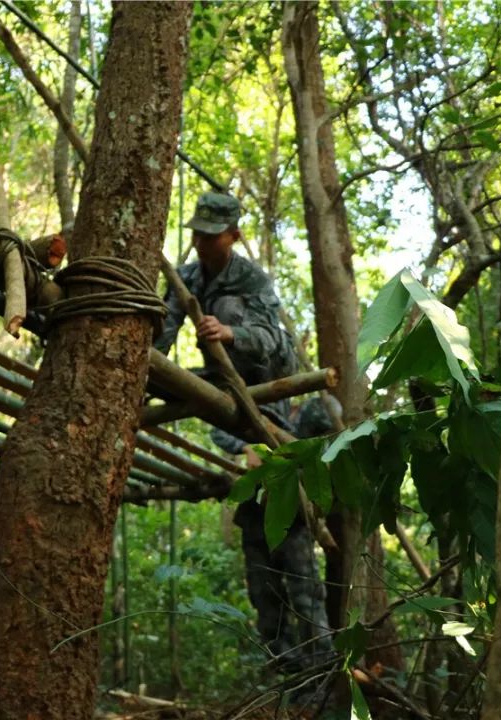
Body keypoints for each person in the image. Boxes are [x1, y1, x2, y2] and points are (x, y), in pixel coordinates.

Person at [154, 192, 332, 670]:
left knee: (303, 584)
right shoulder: (187, 277)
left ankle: (320, 671)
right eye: (197, 234)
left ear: (233, 235)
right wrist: (149, 365)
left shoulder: (252, 280)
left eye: (212, 236)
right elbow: (165, 330)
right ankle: (284, 671)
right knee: (264, 587)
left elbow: (273, 339)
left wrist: (231, 334)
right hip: (226, 389)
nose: (201, 243)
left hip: (264, 375)